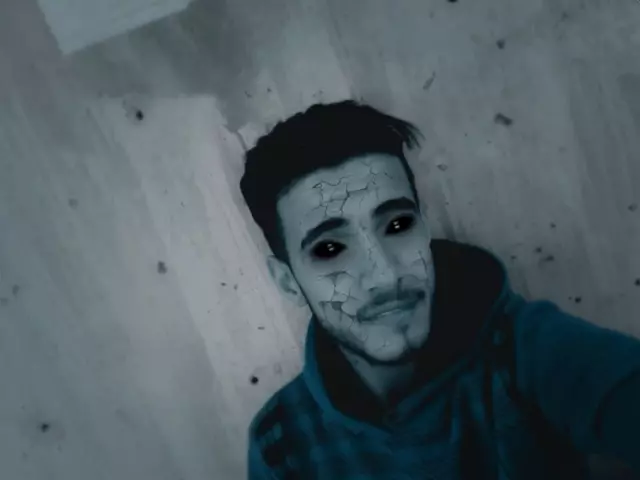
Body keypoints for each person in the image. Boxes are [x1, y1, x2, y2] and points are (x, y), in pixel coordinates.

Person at [239, 100, 640, 479]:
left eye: (398, 225)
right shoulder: (281, 444)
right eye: (330, 249)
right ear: (289, 282)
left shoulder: (521, 351)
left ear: (425, 226)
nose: (385, 276)